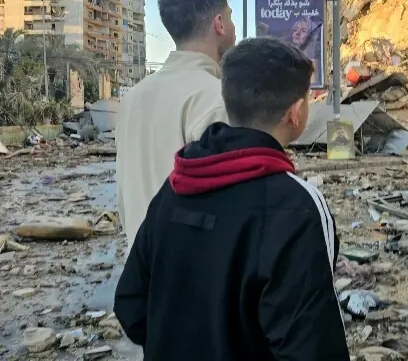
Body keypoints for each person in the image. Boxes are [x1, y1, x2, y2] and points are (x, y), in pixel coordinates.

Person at [113, 37, 349, 360]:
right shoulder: (298, 206)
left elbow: (130, 302)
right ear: (295, 113)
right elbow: (313, 346)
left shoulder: (176, 186)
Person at [115, 0, 236, 253]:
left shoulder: (133, 98)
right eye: (230, 17)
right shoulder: (214, 98)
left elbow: (125, 196)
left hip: (142, 271)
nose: (233, 27)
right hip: (193, 274)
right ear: (219, 24)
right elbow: (226, 207)